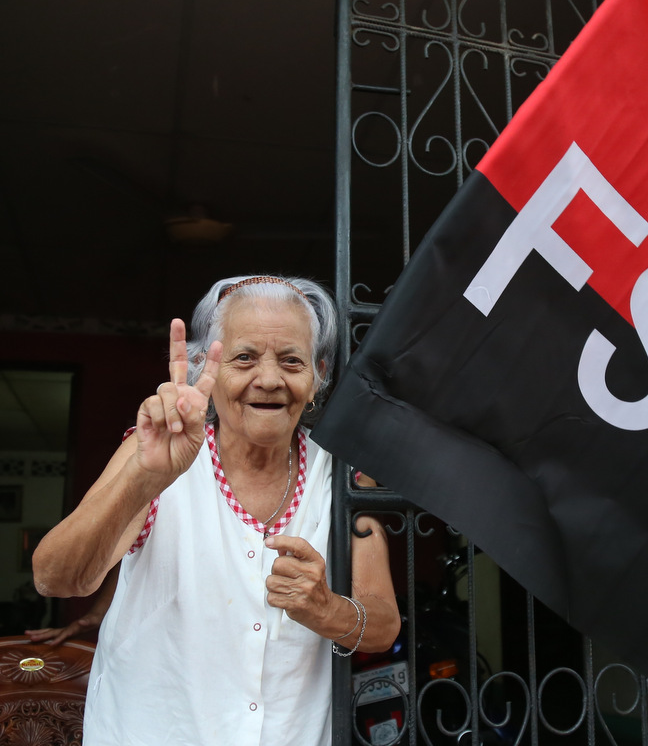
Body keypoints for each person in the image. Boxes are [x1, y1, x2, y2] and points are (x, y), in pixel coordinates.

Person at [32, 275, 401, 746]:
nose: (269, 380)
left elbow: (383, 626)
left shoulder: (344, 476)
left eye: (292, 361)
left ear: (318, 376)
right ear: (205, 366)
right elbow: (57, 579)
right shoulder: (154, 453)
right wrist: (144, 477)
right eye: (244, 358)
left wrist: (326, 609)